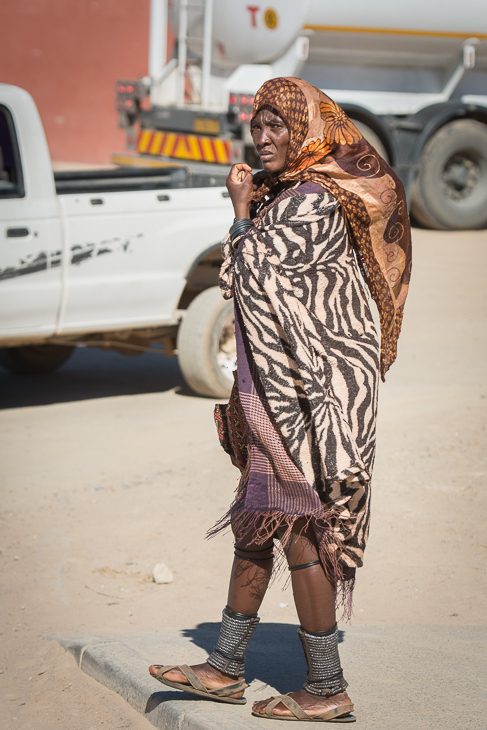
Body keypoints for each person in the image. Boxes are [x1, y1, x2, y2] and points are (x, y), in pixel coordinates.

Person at [149, 77, 411, 722]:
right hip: (285, 394)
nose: (264, 140)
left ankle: (327, 688)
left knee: (298, 531)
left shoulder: (316, 199)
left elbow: (247, 272)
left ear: (308, 130)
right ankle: (225, 668)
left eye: (278, 128)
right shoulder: (292, 190)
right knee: (256, 524)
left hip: (317, 401)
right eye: (257, 127)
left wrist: (240, 209)